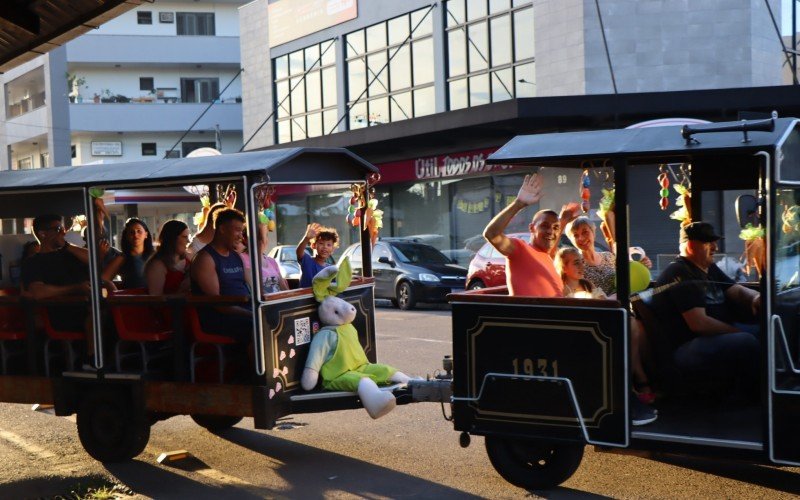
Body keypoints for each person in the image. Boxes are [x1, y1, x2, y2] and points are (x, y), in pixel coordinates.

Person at [652, 221, 761, 398]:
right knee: (747, 339)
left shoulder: (708, 268)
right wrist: (736, 331)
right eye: (708, 242)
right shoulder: (679, 273)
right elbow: (699, 324)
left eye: (714, 242)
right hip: (687, 347)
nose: (715, 247)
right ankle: (755, 399)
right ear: (689, 245)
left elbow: (737, 290)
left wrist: (756, 298)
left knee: (765, 331)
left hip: (711, 339)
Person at [483, 174, 579, 297]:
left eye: (555, 227)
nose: (551, 231)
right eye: (544, 226)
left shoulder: (547, 257)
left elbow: (552, 240)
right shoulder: (520, 249)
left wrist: (564, 221)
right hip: (531, 316)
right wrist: (518, 203)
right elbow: (491, 234)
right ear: (532, 228)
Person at [190, 208, 252, 344]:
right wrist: (252, 314)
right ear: (222, 229)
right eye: (237, 230)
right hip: (219, 318)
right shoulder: (205, 258)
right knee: (256, 327)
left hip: (243, 311)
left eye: (241, 231)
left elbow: (251, 286)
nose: (241, 236)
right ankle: (252, 365)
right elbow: (218, 304)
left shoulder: (236, 256)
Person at [566, 216, 652, 295]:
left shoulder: (609, 256)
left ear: (593, 232)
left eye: (585, 232)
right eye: (575, 235)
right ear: (571, 240)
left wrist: (642, 264)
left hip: (621, 304)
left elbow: (629, 273)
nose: (581, 238)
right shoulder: (575, 266)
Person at [102, 218, 154, 290]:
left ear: (146, 234)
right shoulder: (122, 258)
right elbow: (104, 279)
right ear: (127, 236)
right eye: (131, 232)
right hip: (132, 299)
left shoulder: (155, 256)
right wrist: (115, 291)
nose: (135, 234)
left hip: (156, 298)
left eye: (139, 231)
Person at [145, 220, 191, 295]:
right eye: (184, 237)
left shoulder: (189, 257)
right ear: (172, 239)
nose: (188, 241)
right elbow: (156, 301)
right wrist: (182, 290)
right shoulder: (157, 265)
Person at [296, 223, 339, 288]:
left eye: (328, 245)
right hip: (306, 297)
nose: (325, 247)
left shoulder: (331, 269)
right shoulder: (308, 261)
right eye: (321, 243)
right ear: (313, 245)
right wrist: (306, 238)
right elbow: (299, 252)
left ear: (333, 249)